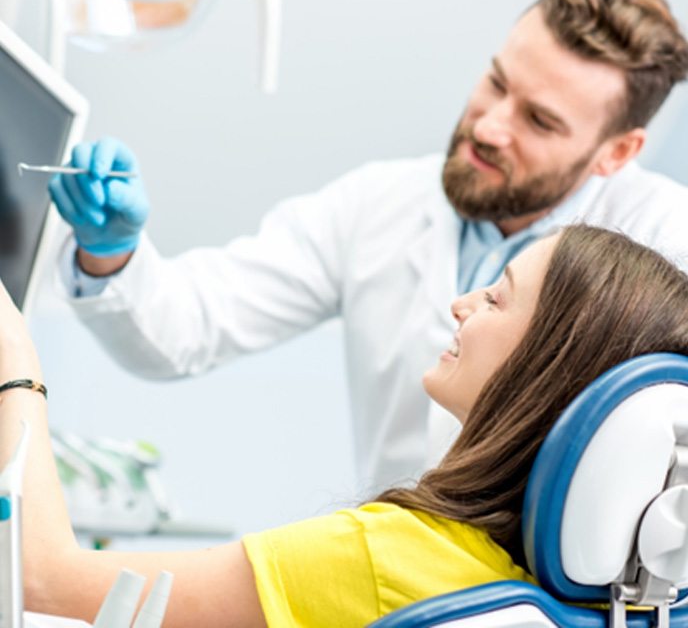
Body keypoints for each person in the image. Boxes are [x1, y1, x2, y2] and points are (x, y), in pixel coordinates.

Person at [48, 0, 688, 493]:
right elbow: (185, 328)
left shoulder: (667, 246)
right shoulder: (380, 206)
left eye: (539, 122)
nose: (491, 126)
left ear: (618, 152)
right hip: (392, 581)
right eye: (496, 83)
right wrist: (113, 254)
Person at [6, 225, 688, 626]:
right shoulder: (590, 607)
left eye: (495, 297)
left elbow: (37, 576)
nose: (460, 305)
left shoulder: (392, 556)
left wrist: (16, 362)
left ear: (548, 367)